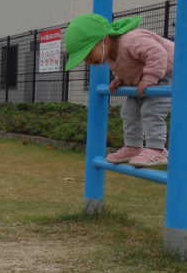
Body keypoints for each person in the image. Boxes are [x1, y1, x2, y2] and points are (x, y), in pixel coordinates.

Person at [64, 12, 174, 168]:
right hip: (141, 80)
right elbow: (125, 66)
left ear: (104, 39)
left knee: (151, 110)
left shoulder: (131, 40)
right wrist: (120, 79)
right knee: (128, 111)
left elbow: (157, 53)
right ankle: (133, 146)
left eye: (88, 53)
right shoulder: (110, 54)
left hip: (167, 73)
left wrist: (150, 78)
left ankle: (157, 149)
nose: (88, 61)